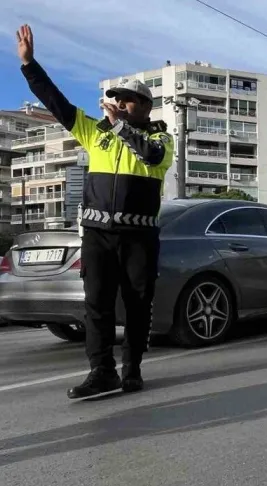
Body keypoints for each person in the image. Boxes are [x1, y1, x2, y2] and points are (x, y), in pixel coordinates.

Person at [16, 25, 174, 398]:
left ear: (146, 106)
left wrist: (118, 126)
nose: (120, 103)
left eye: (128, 100)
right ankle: (102, 372)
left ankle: (132, 370)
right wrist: (29, 65)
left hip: (139, 237)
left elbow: (151, 157)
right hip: (98, 235)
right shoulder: (95, 133)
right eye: (117, 98)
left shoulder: (160, 138)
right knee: (97, 305)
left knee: (137, 306)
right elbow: (56, 102)